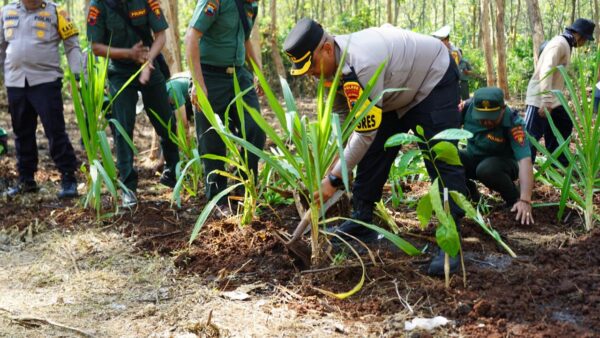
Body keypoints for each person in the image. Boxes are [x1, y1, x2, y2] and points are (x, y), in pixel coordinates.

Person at [283, 18, 467, 276]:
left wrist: (334, 179)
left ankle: (452, 236)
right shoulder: (332, 68)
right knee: (373, 153)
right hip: (392, 93)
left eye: (311, 66)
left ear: (326, 49)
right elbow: (344, 121)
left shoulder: (361, 64)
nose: (311, 74)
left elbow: (364, 132)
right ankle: (362, 220)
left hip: (431, 81)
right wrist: (334, 165)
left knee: (439, 156)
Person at [86, 0, 180, 207]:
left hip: (149, 62)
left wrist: (148, 61)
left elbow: (161, 35)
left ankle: (174, 172)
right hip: (119, 71)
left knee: (165, 120)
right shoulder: (99, 5)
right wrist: (129, 54)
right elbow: (95, 46)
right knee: (123, 127)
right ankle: (128, 186)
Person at [184, 0, 265, 218]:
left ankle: (243, 188)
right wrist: (198, 83)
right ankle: (217, 199)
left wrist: (258, 72)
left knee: (255, 129)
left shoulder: (251, 5)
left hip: (239, 75)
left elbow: (245, 39)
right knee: (212, 141)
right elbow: (192, 36)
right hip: (210, 76)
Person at [0, 0, 81, 199]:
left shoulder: (57, 12)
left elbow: (72, 45)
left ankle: (68, 178)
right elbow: (1, 47)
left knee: (55, 131)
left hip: (46, 81)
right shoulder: (6, 12)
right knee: (22, 132)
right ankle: (26, 180)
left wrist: (78, 75)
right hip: (16, 82)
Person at [525, 18, 595, 167]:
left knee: (564, 123)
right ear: (579, 35)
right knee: (530, 136)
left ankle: (558, 163)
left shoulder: (566, 44)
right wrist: (546, 100)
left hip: (555, 98)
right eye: (586, 39)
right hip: (540, 97)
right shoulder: (559, 43)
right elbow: (546, 69)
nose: (584, 43)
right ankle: (522, 172)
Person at [460, 87, 534, 225]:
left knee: (487, 169)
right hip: (474, 157)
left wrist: (525, 200)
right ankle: (468, 191)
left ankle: (514, 200)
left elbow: (524, 160)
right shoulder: (467, 108)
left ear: (502, 108)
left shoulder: (513, 122)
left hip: (503, 165)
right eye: (482, 119)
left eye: (492, 118)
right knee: (448, 157)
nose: (487, 122)